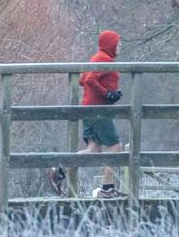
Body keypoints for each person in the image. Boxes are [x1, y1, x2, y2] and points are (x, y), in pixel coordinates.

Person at [48, 29, 124, 198]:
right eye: (118, 42)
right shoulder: (104, 59)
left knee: (93, 149)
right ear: (110, 43)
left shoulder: (98, 58)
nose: (121, 45)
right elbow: (89, 80)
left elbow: (83, 79)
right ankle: (107, 189)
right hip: (98, 110)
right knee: (115, 146)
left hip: (89, 108)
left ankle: (59, 172)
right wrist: (107, 94)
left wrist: (111, 92)